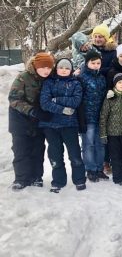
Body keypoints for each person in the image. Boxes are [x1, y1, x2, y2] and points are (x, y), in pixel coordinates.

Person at [8, 52, 54, 191]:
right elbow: (14, 99)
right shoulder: (23, 78)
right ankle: (21, 178)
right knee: (21, 150)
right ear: (35, 66)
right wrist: (32, 111)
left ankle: (36, 177)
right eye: (43, 67)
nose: (46, 71)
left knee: (38, 149)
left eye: (49, 68)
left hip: (38, 121)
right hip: (20, 119)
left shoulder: (49, 79)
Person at [40, 58, 86, 193]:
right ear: (56, 68)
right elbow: (44, 103)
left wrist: (56, 100)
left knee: (75, 154)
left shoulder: (75, 83)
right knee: (55, 154)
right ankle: (58, 181)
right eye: (61, 67)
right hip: (50, 125)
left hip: (69, 124)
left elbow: (75, 101)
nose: (64, 70)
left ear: (71, 70)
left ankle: (79, 179)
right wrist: (62, 109)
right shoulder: (49, 82)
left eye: (67, 68)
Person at [99, 73, 122, 186]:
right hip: (112, 134)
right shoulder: (110, 97)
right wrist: (103, 134)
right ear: (115, 84)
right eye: (119, 82)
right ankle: (118, 177)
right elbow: (103, 116)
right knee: (115, 157)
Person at [78, 51, 108, 182]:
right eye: (93, 63)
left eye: (98, 63)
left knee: (100, 144)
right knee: (88, 144)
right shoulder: (82, 78)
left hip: (100, 117)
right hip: (87, 117)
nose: (96, 65)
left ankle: (99, 168)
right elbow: (79, 99)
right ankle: (90, 169)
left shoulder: (101, 77)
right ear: (87, 63)